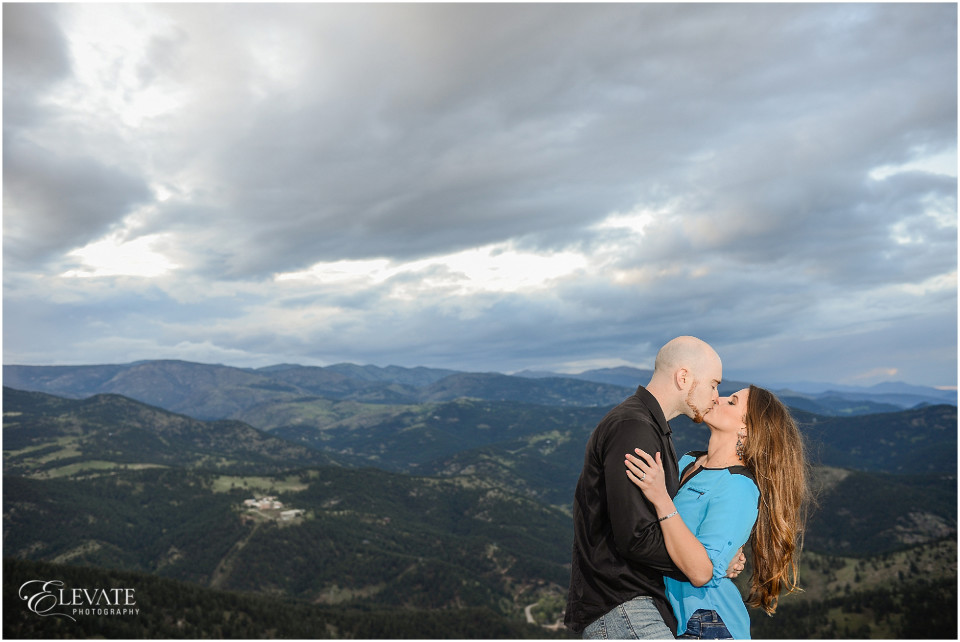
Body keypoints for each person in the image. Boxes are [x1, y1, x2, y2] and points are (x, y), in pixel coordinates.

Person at [564, 336, 744, 638]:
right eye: (713, 384)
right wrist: (705, 566)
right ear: (683, 377)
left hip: (633, 604)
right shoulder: (634, 427)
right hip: (622, 605)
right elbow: (636, 537)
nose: (716, 396)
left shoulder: (649, 427)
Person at [625, 385, 811, 639]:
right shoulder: (689, 461)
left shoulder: (739, 486)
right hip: (670, 615)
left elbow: (702, 573)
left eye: (732, 402)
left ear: (746, 429)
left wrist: (660, 499)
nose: (718, 398)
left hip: (708, 624)